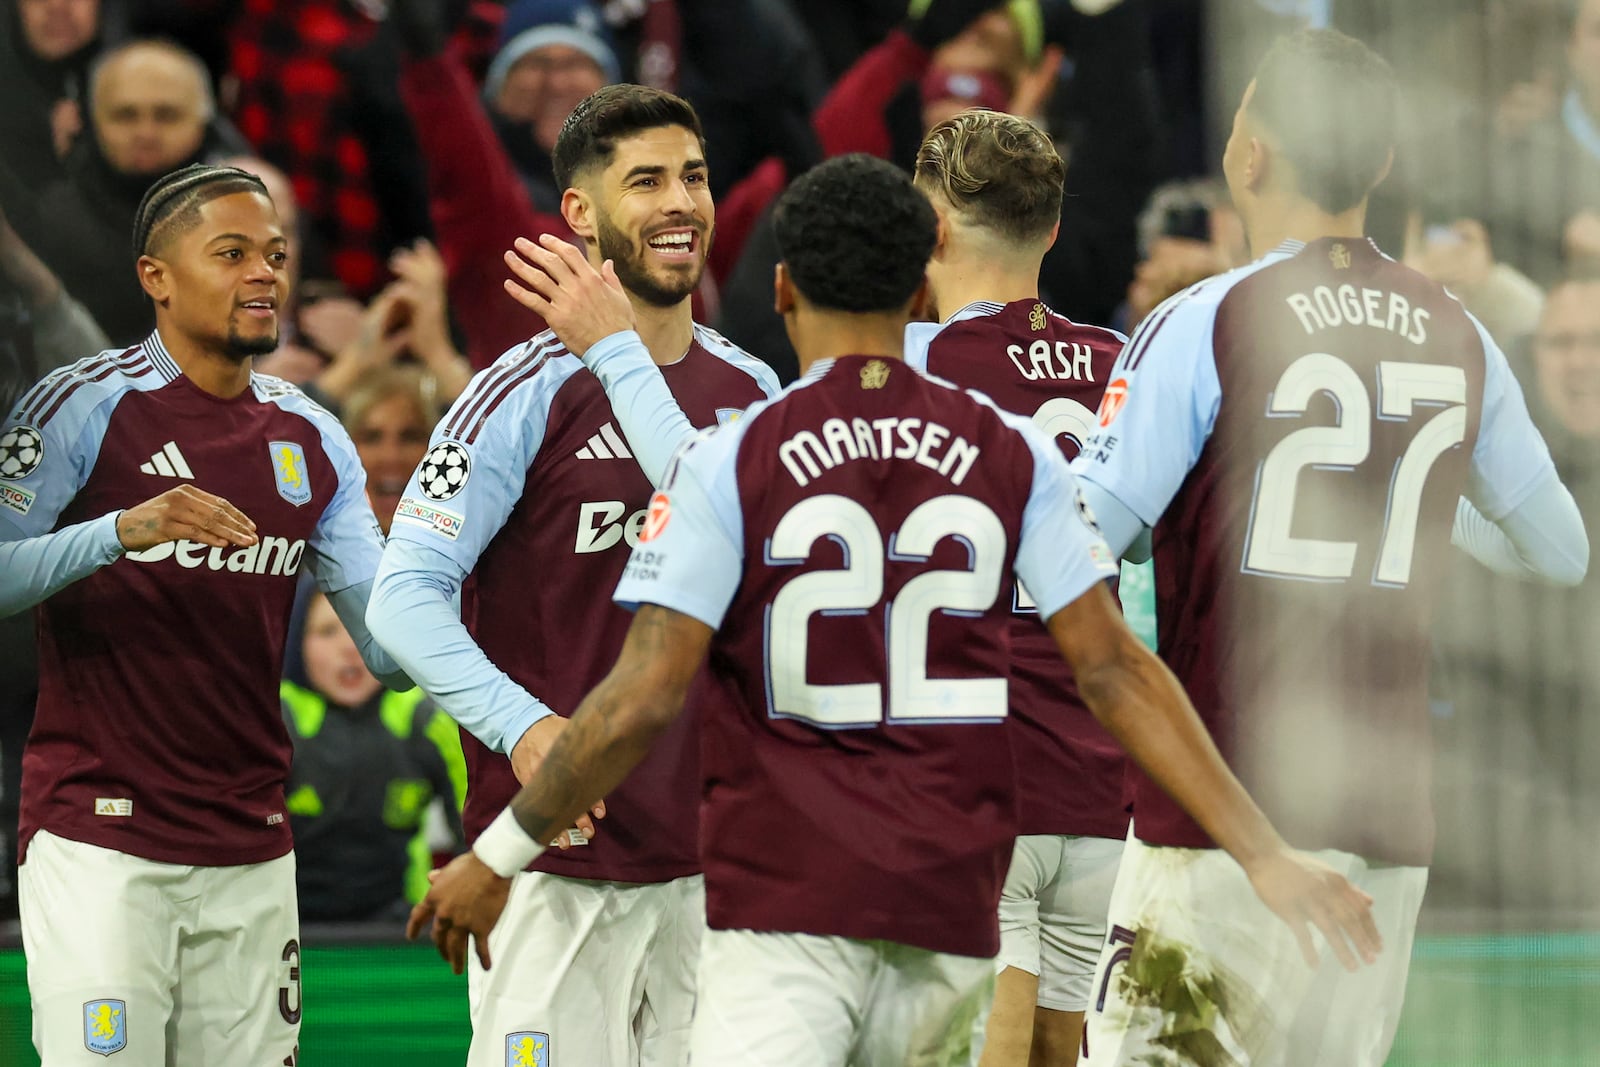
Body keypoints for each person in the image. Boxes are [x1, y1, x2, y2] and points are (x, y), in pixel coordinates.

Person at [407, 153, 1381, 1066]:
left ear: (782, 289)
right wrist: (1261, 848)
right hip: (948, 908)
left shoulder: (729, 455)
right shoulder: (1014, 454)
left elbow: (644, 690)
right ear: (921, 289)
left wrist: (498, 850)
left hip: (784, 912)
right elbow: (1117, 667)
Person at [1070, 30, 1589, 1065]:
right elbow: (1560, 551)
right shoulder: (1458, 329)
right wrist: (1421, 504)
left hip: (1225, 822)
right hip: (1387, 828)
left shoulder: (1208, 318)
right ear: (1385, 165)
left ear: (1250, 151)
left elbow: (1091, 536)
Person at [366, 85, 780, 1067]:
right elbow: (398, 601)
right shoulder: (517, 389)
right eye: (646, 181)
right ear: (581, 215)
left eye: (693, 175)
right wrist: (530, 728)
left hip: (714, 872)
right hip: (551, 861)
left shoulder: (753, 390)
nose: (681, 200)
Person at [0, 162, 409, 1066]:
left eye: (274, 253)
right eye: (231, 253)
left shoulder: (313, 433)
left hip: (253, 842)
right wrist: (120, 530)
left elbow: (385, 643)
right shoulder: (79, 407)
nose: (264, 273)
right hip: (101, 837)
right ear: (157, 275)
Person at [902, 107, 1131, 1066]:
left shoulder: (906, 367)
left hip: (981, 777)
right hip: (1105, 783)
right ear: (1052, 228)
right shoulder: (1124, 363)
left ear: (933, 230)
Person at [282, 587, 464, 922]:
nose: (350, 648)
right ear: (296, 642)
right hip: (288, 925)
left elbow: (479, 837)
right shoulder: (274, 718)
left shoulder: (426, 720)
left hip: (403, 928)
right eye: (327, 631)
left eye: (363, 630)